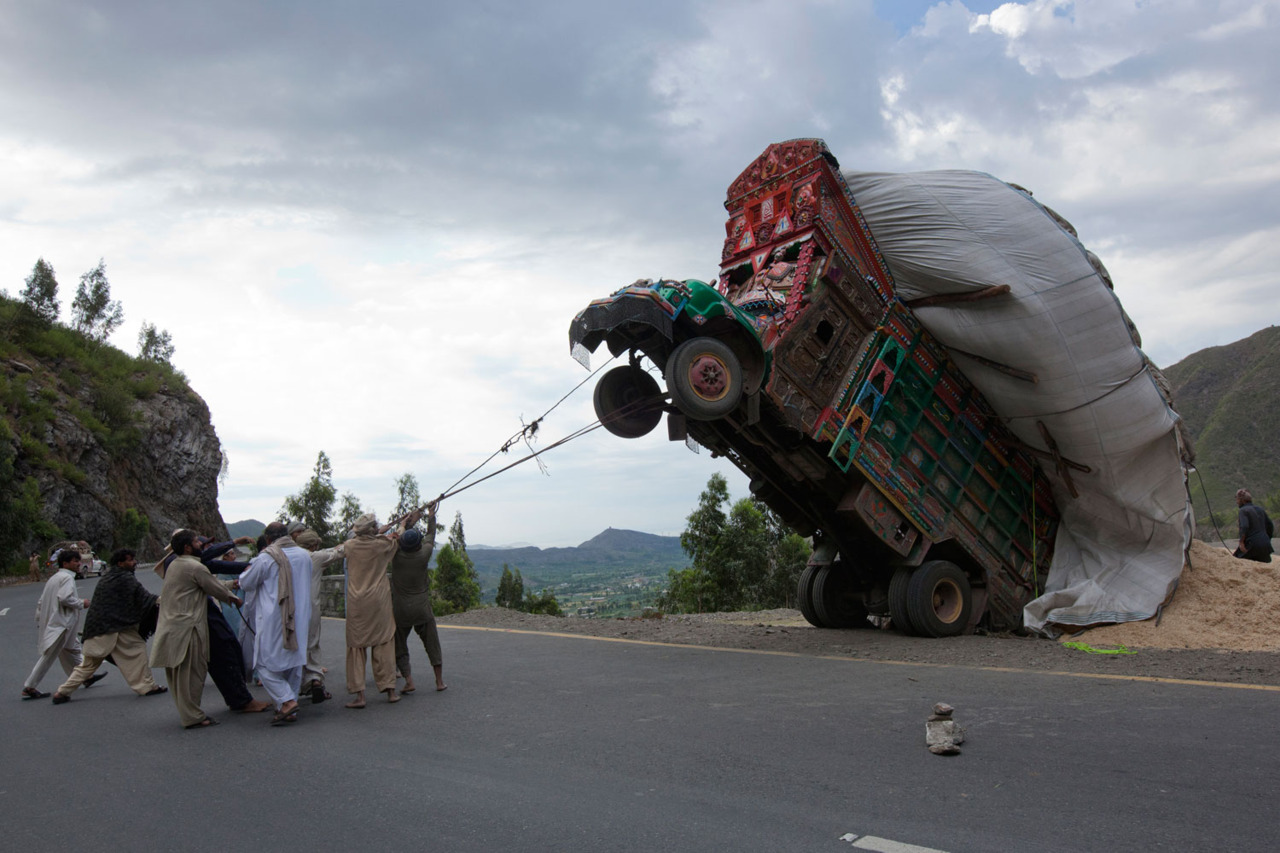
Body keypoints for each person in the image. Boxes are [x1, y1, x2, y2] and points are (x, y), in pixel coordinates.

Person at [149, 529, 244, 729]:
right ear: (187, 547)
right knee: (192, 674)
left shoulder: (174, 564)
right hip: (187, 628)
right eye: (197, 542)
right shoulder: (194, 566)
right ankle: (193, 717)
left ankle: (189, 714)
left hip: (171, 627)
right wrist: (234, 598)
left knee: (178, 676)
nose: (201, 545)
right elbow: (213, 587)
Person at [52, 548, 166, 703]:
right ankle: (146, 686)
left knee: (88, 664)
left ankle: (63, 692)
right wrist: (166, 601)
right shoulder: (125, 578)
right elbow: (144, 598)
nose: (134, 563)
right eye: (130, 560)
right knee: (137, 651)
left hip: (97, 628)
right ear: (121, 563)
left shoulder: (109, 577)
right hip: (115, 627)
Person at [342, 510, 422, 709]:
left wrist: (381, 531)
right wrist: (403, 524)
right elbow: (399, 535)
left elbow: (337, 551)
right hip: (379, 600)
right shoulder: (382, 544)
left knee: (356, 647)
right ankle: (390, 691)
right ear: (373, 530)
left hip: (356, 602)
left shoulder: (350, 546)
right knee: (384, 643)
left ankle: (360, 696)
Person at [237, 522, 312, 725]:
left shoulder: (267, 557)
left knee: (263, 664)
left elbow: (246, 582)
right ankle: (288, 708)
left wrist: (244, 573)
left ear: (269, 539)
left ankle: (287, 702)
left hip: (276, 617)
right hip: (301, 615)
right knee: (294, 664)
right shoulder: (304, 555)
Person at [21, 550, 96, 700]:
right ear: (65, 563)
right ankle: (30, 686)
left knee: (72, 649)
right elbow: (64, 598)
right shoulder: (67, 578)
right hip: (61, 624)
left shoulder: (54, 578)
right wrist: (82, 603)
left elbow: (41, 602)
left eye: (78, 561)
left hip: (56, 623)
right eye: (75, 561)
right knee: (49, 656)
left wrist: (40, 620)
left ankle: (85, 675)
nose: (78, 564)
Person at [390, 503, 447, 694]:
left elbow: (394, 539)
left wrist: (405, 522)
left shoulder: (395, 556)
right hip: (422, 608)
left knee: (400, 645)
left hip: (401, 610)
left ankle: (408, 680)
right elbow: (431, 536)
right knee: (432, 644)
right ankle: (439, 681)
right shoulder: (424, 554)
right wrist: (431, 515)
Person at [293, 526, 344, 704]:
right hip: (310, 608)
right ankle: (315, 679)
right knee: (312, 644)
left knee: (295, 646)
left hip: (291, 609)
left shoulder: (288, 557)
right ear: (313, 545)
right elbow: (339, 552)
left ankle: (296, 684)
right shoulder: (316, 558)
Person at [1233, 489, 1274, 563]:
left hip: (1252, 545)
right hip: (1266, 545)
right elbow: (1270, 525)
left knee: (1235, 561)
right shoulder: (1260, 509)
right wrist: (1267, 539)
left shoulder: (1243, 510)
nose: (1236, 501)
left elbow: (1244, 526)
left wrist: (1241, 542)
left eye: (1237, 499)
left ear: (1242, 500)